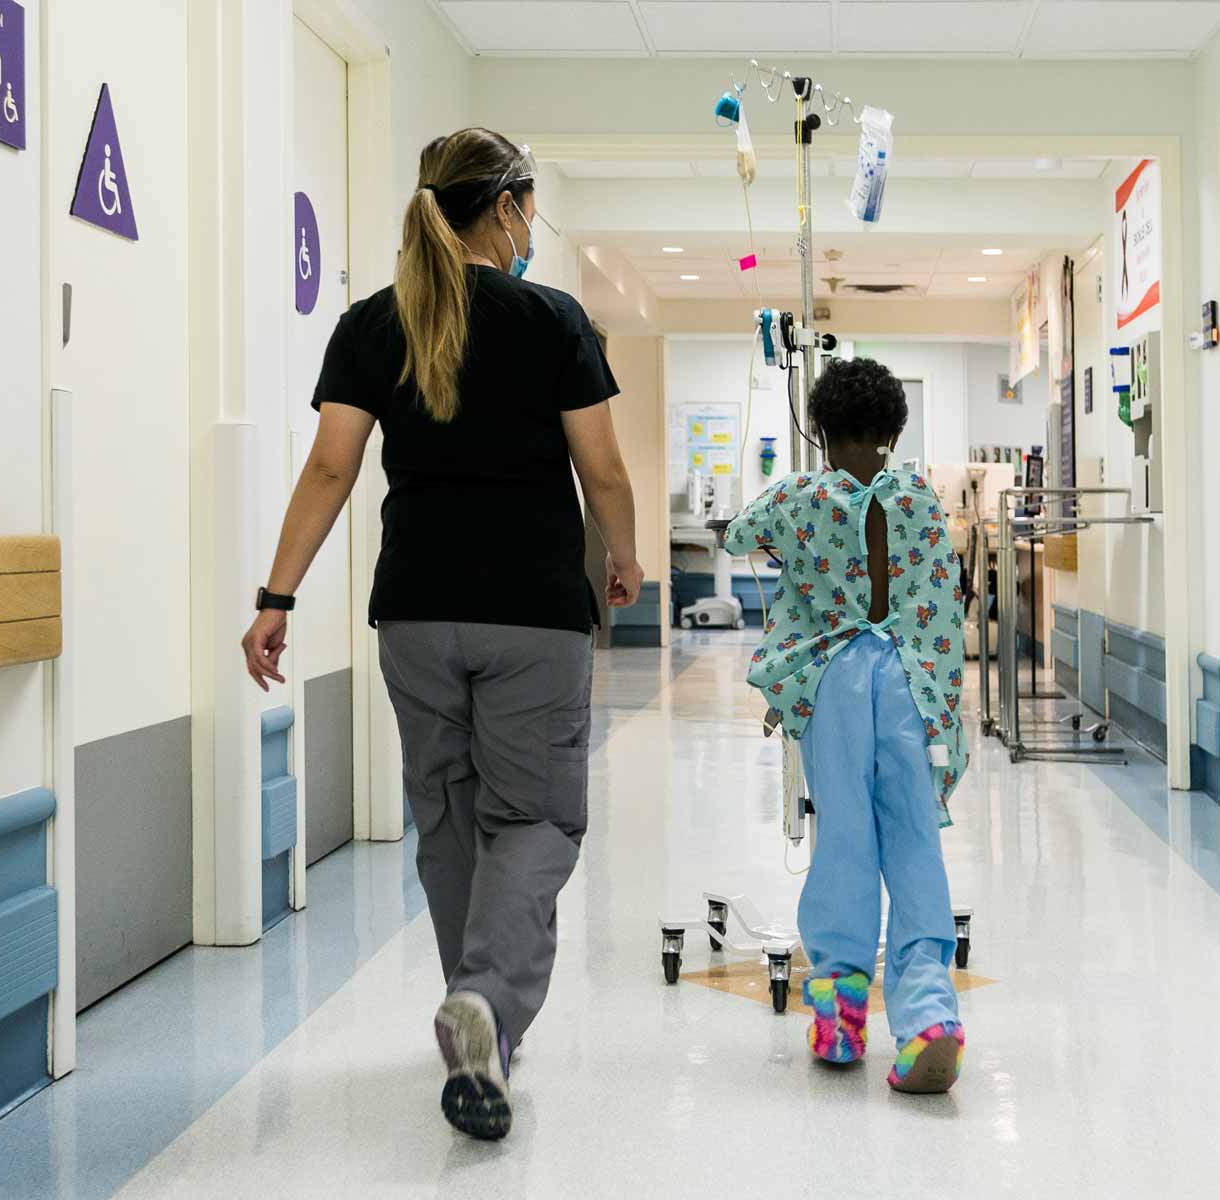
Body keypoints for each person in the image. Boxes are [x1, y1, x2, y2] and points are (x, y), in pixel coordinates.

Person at [241, 128, 642, 1140]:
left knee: (450, 816)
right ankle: (487, 1007)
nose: (531, 230)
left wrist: (276, 597)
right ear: (504, 208)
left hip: (414, 611)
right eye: (530, 210)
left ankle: (484, 1026)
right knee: (537, 819)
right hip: (532, 615)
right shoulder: (552, 319)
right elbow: (602, 470)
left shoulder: (373, 324)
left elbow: (330, 469)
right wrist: (624, 557)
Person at [716, 357, 969, 1094]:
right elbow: (942, 602)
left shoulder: (801, 497)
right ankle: (928, 1019)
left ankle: (839, 1019)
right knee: (916, 846)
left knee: (845, 845)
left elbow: (737, 536)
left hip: (834, 687)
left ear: (820, 432)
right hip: (911, 691)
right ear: (894, 432)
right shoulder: (920, 498)